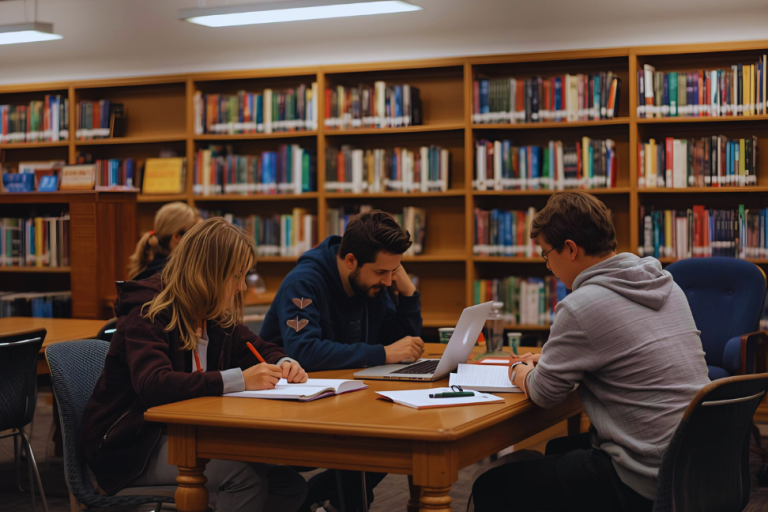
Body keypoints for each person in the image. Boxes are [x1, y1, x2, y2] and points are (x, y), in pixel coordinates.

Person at [471, 191, 709, 512]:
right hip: (694, 464)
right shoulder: (665, 284)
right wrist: (555, 361)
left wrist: (519, 371)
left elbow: (544, 393)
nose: (548, 266)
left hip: (643, 478)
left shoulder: (581, 305)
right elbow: (623, 352)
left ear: (570, 249)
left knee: (490, 486)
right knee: (557, 449)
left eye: (546, 254)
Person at [83, 217, 308, 512]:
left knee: (288, 486)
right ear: (209, 275)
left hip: (185, 434)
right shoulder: (149, 312)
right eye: (236, 276)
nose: (241, 286)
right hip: (131, 448)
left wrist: (285, 362)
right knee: (244, 477)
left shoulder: (212, 315)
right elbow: (154, 384)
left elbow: (259, 348)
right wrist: (239, 379)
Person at [259, 209, 424, 512]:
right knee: (383, 441)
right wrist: (383, 353)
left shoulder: (371, 283)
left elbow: (401, 343)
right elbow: (304, 352)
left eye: (394, 271)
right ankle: (324, 499)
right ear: (350, 261)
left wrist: (409, 294)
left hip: (346, 396)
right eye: (382, 272)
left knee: (403, 434)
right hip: (291, 404)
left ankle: (328, 500)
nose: (388, 281)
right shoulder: (303, 283)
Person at [127, 201, 201, 280]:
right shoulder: (173, 277)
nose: (203, 241)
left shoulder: (152, 266)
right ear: (177, 237)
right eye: (199, 235)